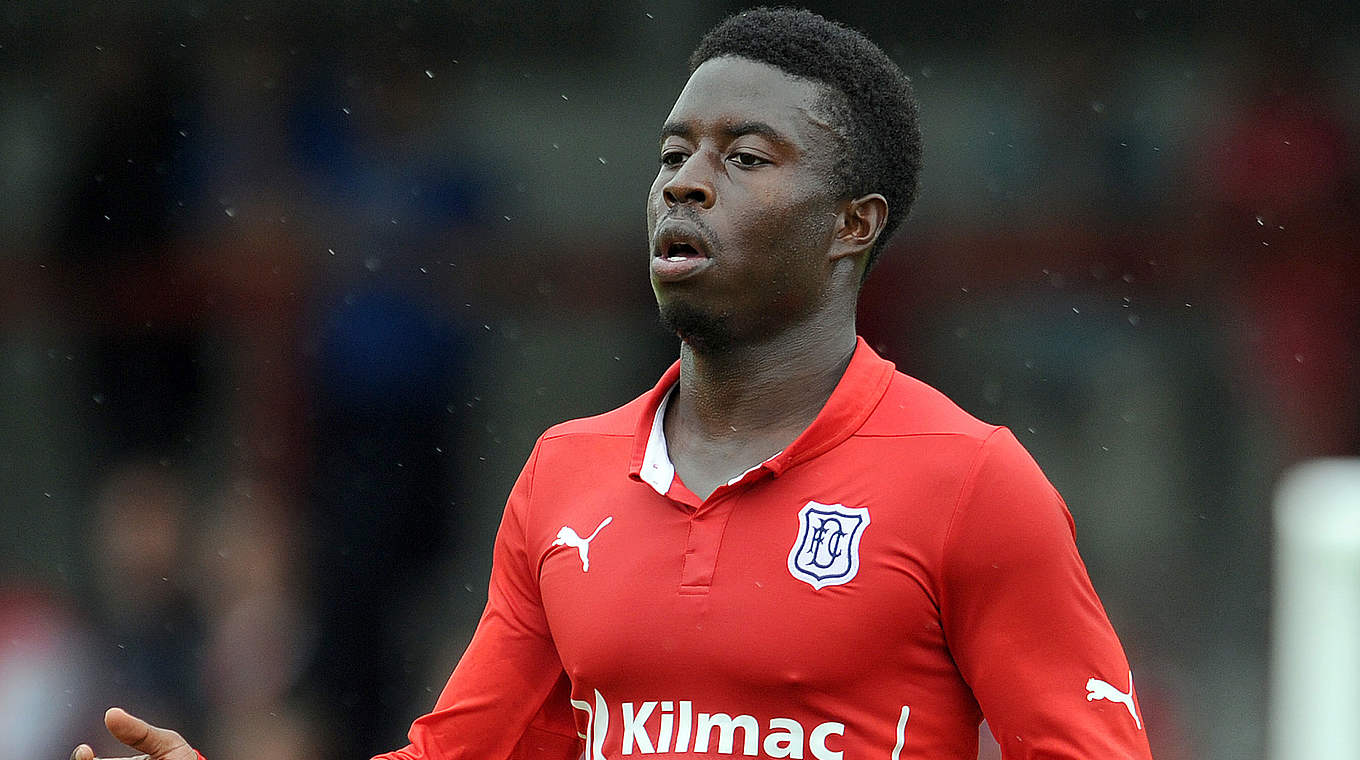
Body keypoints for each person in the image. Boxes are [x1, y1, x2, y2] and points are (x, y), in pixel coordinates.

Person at [74, 8, 1154, 760]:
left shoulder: (970, 481)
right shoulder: (565, 475)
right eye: (673, 151)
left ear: (852, 224)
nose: (685, 179)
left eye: (744, 157)